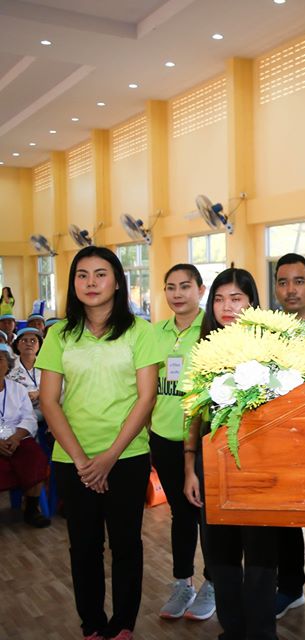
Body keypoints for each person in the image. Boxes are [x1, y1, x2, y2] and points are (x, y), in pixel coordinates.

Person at [37, 246, 163, 640]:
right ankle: (91, 623)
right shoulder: (59, 334)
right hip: (72, 460)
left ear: (118, 282)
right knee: (83, 547)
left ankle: (123, 623)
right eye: (82, 275)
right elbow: (48, 401)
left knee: (126, 545)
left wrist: (109, 457)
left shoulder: (140, 331)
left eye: (100, 274)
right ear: (73, 283)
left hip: (127, 457)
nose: (91, 283)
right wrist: (82, 460)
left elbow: (146, 398)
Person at [183, 267, 279, 640]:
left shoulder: (273, 349)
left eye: (236, 298)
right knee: (220, 554)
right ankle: (233, 630)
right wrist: (190, 467)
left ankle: (261, 632)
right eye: (219, 299)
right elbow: (193, 414)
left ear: (252, 302)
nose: (227, 306)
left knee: (260, 555)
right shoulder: (204, 348)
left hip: (259, 463)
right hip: (213, 462)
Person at [150, 264, 215, 621]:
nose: (177, 294)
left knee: (207, 515)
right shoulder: (155, 333)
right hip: (163, 437)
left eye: (185, 286)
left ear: (200, 290)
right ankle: (183, 583)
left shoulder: (212, 330)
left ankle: (213, 582)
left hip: (202, 440)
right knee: (181, 514)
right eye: (171, 287)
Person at [271, 253, 305, 622]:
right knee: (283, 522)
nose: (291, 289)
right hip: (279, 444)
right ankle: (289, 589)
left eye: (299, 281)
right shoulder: (266, 334)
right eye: (283, 282)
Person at [0, 342, 50, 528]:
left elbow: (29, 418)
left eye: (0, 360)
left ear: (8, 365)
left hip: (18, 437)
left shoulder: (18, 389)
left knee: (35, 457)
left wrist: (16, 438)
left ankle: (31, 509)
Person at [9, 327, 44, 422]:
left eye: (33, 341)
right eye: (24, 340)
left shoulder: (47, 366)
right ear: (17, 345)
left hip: (43, 408)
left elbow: (57, 389)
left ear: (39, 345)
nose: (29, 344)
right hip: (15, 409)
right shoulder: (9, 366)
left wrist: (39, 393)